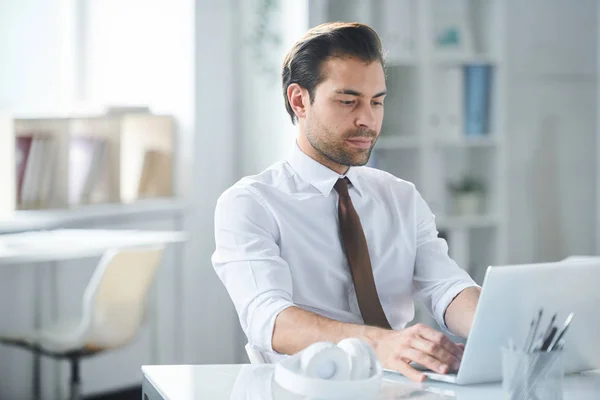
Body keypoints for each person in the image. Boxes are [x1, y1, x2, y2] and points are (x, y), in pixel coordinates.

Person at [212, 22, 481, 382]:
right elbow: (270, 318)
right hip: (301, 389)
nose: (367, 120)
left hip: (400, 385)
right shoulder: (250, 204)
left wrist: (497, 323)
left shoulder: (401, 196)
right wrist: (381, 344)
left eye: (377, 102)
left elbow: (446, 288)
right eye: (348, 101)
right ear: (299, 100)